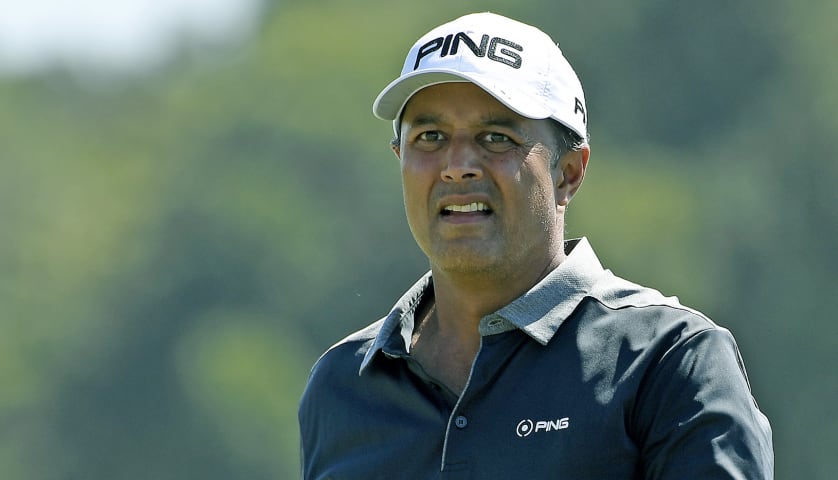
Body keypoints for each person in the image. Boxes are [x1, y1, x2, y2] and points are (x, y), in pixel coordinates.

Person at [299, 11, 773, 479]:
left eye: (496, 138)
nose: (457, 165)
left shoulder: (669, 359)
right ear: (400, 159)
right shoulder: (340, 385)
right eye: (430, 137)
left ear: (569, 173)